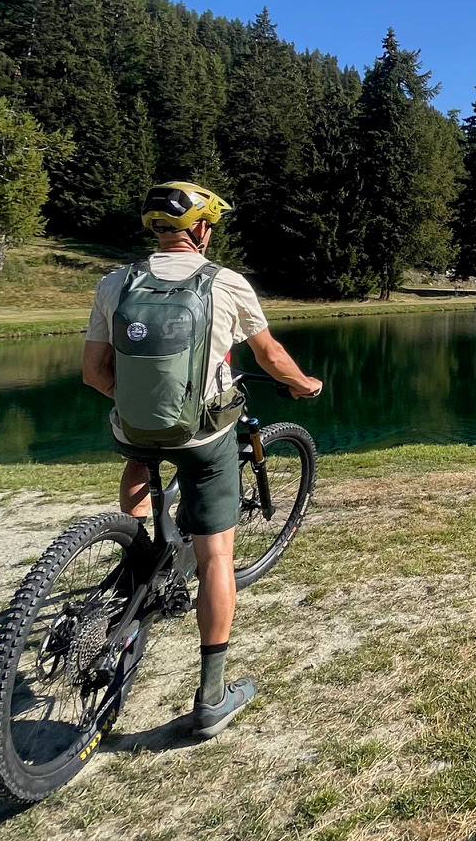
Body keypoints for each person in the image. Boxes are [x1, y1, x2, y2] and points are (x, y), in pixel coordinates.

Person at [81, 181, 322, 737]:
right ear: (202, 230)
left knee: (142, 460)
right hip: (203, 437)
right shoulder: (227, 284)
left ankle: (135, 554)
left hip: (133, 427)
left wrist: (142, 405)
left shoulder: (115, 283)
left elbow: (94, 373)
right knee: (217, 558)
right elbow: (271, 355)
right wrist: (303, 383)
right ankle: (211, 698)